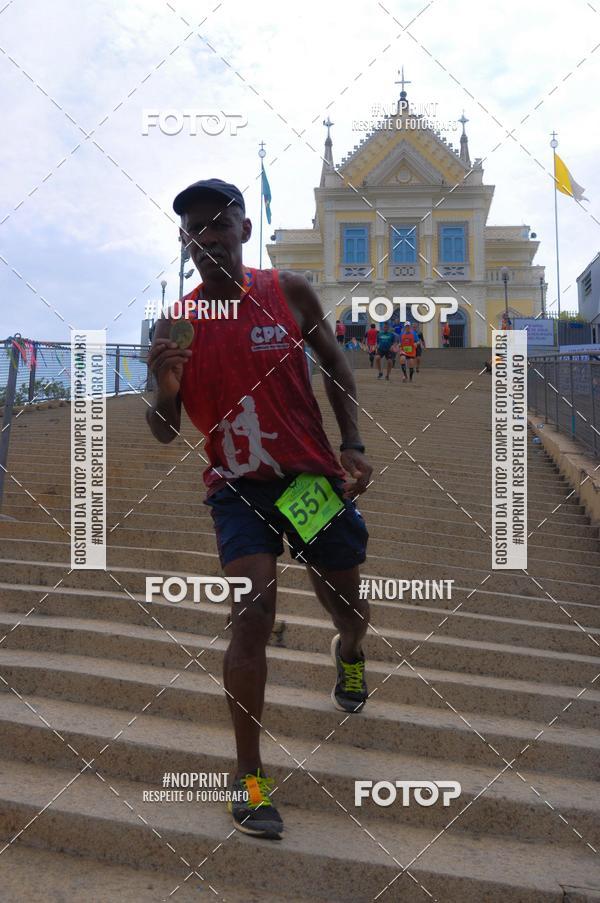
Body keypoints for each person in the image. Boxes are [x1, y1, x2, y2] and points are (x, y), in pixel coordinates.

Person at [146, 178, 372, 841]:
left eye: (219, 223)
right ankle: (249, 777)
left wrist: (352, 441)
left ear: (245, 229)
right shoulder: (177, 325)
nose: (207, 237)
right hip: (237, 486)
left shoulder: (287, 292)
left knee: (348, 607)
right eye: (193, 230)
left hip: (306, 479)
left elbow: (334, 364)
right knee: (251, 613)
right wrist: (163, 390)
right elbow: (162, 429)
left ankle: (350, 651)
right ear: (184, 243)